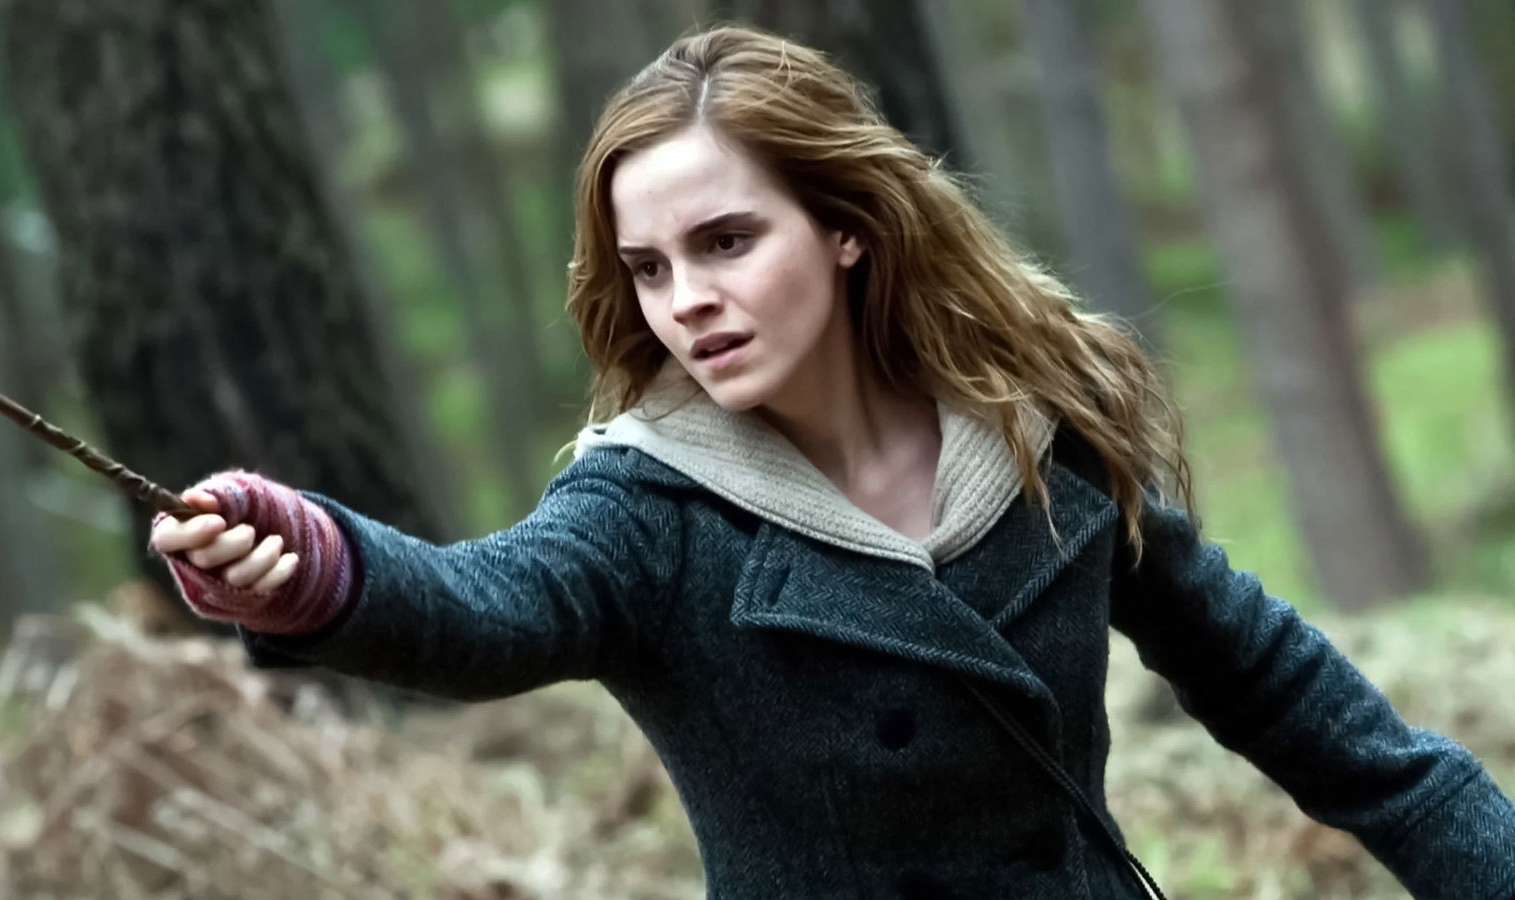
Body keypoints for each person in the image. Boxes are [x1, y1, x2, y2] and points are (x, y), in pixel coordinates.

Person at [148, 24, 1515, 900]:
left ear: (846, 227)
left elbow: (1296, 703)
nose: (687, 299)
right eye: (650, 268)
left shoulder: (1036, 437)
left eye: (726, 242)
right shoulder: (649, 504)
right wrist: (308, 563)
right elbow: (479, 610)